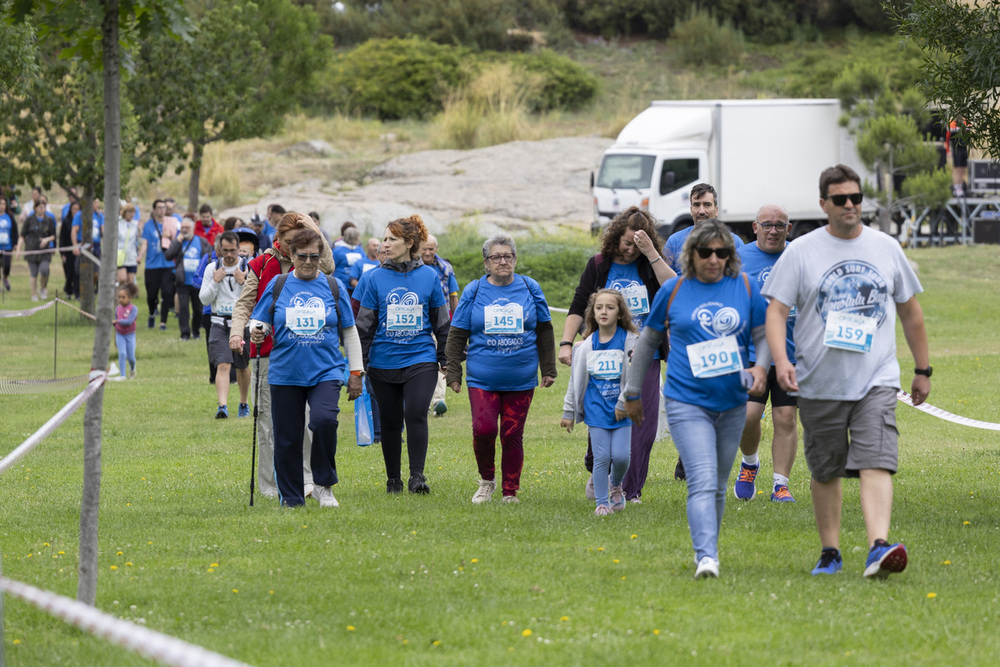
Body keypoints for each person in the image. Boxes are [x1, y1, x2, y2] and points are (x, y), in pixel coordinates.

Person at [763, 164, 930, 579]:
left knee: (877, 457)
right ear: (824, 204)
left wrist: (923, 368)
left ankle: (878, 546)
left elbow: (911, 311)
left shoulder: (885, 247)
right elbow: (776, 311)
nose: (851, 205)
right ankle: (830, 551)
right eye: (841, 199)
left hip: (877, 377)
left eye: (856, 198)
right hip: (819, 380)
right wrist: (782, 362)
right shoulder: (801, 251)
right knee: (826, 467)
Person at [625, 219, 770, 579]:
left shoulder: (746, 287)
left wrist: (761, 367)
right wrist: (630, 392)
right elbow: (646, 341)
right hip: (686, 399)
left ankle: (710, 548)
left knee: (718, 483)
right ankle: (706, 556)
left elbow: (763, 336)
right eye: (706, 252)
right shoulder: (673, 290)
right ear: (692, 255)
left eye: (722, 252)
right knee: (702, 478)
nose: (714, 259)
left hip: (732, 401)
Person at [560, 207, 675, 502]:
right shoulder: (599, 265)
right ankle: (599, 468)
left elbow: (676, 289)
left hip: (643, 354)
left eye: (638, 244)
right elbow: (578, 304)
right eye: (627, 242)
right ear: (615, 237)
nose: (630, 249)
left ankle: (629, 489)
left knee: (642, 423)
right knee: (603, 415)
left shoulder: (650, 265)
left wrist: (651, 253)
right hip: (603, 355)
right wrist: (566, 343)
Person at [249, 228, 364, 508]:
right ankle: (291, 497)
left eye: (315, 256)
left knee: (324, 421)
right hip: (285, 372)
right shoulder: (278, 284)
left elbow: (349, 332)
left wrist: (356, 372)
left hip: (326, 371)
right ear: (292, 255)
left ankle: (324, 485)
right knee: (287, 436)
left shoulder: (333, 286)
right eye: (303, 256)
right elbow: (257, 320)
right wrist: (256, 330)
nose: (309, 262)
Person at [445, 234, 556, 504]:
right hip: (482, 378)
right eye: (496, 257)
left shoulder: (530, 288)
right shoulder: (474, 290)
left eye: (508, 256)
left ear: (515, 259)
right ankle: (486, 481)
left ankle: (510, 491)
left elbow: (544, 330)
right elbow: (457, 334)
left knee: (512, 434)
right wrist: (453, 372)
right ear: (486, 262)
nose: (503, 261)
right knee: (483, 430)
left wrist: (548, 368)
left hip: (521, 378)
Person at [230, 212, 334, 498]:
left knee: (310, 421)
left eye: (298, 240)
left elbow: (330, 265)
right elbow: (244, 304)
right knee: (268, 423)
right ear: (278, 239)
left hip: (308, 353)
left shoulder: (311, 262)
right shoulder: (263, 264)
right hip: (267, 354)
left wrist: (314, 229)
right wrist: (237, 333)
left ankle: (308, 480)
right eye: (288, 242)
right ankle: (270, 485)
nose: (293, 247)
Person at [356, 214, 450, 495]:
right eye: (384, 239)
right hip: (383, 361)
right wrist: (358, 364)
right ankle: (393, 479)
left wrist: (446, 358)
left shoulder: (429, 276)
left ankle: (416, 477)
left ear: (410, 243)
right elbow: (364, 326)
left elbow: (441, 321)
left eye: (391, 239)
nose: (384, 245)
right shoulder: (373, 278)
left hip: (420, 357)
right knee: (391, 421)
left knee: (416, 413)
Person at [733, 204, 799, 503]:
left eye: (780, 225)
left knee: (786, 418)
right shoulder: (739, 258)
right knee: (748, 417)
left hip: (793, 354)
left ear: (789, 228)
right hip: (750, 352)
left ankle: (780, 484)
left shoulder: (799, 255)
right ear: (755, 227)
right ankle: (749, 464)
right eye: (767, 225)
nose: (774, 231)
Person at [561, 289, 636, 516]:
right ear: (592, 313)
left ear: (620, 313)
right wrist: (569, 410)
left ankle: (616, 485)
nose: (604, 312)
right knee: (602, 457)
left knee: (622, 457)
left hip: (623, 411)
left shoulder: (631, 341)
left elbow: (636, 378)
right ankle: (602, 503)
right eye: (599, 307)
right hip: (596, 410)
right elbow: (576, 381)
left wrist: (624, 402)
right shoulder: (585, 347)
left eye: (610, 307)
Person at [199, 231, 251, 419]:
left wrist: (243, 282)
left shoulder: (247, 267)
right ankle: (222, 406)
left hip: (241, 324)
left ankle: (243, 403)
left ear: (238, 249)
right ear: (219, 249)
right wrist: (215, 281)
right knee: (223, 364)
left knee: (243, 367)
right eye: (225, 250)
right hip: (219, 323)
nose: (229, 255)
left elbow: (255, 297)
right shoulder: (212, 269)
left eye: (232, 251)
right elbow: (204, 300)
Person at [663, 183, 745, 275]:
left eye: (707, 205)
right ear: (691, 210)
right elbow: (663, 279)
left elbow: (741, 277)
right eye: (697, 205)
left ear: (716, 210)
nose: (701, 211)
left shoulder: (734, 242)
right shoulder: (674, 242)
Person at [421, 233, 460, 417]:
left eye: (431, 249)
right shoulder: (411, 268)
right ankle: (424, 399)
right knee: (423, 361)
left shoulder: (446, 269)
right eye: (424, 249)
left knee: (441, 359)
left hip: (440, 322)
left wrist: (458, 322)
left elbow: (453, 297)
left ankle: (438, 401)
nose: (427, 252)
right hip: (419, 323)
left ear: (436, 249)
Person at [165, 217, 212, 340]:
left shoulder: (201, 241)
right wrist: (176, 241)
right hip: (183, 281)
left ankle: (195, 332)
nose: (184, 230)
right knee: (184, 308)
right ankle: (185, 334)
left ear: (193, 229)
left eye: (187, 228)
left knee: (198, 309)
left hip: (197, 281)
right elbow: (168, 255)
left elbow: (209, 257)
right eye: (182, 228)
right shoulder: (179, 242)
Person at [138, 199, 177, 331]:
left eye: (164, 207)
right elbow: (145, 243)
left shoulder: (171, 223)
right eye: (159, 207)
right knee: (151, 295)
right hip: (152, 265)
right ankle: (151, 313)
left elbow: (177, 242)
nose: (162, 210)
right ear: (154, 210)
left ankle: (163, 322)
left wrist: (171, 236)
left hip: (168, 263)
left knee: (167, 292)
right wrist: (140, 256)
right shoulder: (148, 225)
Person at [17, 197, 57, 301]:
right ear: (35, 208)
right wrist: (18, 250)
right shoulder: (29, 220)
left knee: (44, 270)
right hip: (31, 250)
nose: (42, 209)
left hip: (44, 252)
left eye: (44, 207)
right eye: (40, 207)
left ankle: (42, 289)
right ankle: (34, 295)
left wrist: (46, 240)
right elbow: (22, 235)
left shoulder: (49, 220)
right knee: (33, 273)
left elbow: (53, 235)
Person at [113, 282, 139, 379]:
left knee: (131, 358)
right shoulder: (117, 308)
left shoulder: (133, 309)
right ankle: (122, 375)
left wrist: (118, 321)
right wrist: (115, 323)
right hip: (120, 334)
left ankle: (132, 369)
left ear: (130, 298)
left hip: (130, 335)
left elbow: (129, 321)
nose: (120, 299)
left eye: (123, 297)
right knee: (122, 353)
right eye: (119, 297)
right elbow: (117, 320)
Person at [116, 203, 142, 286]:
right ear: (124, 212)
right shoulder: (119, 223)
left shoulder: (135, 224)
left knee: (131, 281)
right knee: (123, 278)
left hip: (131, 255)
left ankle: (127, 298)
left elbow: (140, 241)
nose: (132, 214)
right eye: (129, 212)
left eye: (133, 212)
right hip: (120, 255)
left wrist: (140, 230)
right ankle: (117, 293)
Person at [59, 200, 80, 298]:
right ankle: (68, 290)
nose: (75, 211)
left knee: (77, 272)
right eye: (73, 209)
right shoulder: (66, 221)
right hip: (67, 251)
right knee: (69, 272)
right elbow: (62, 238)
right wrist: (62, 253)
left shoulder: (80, 221)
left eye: (77, 209)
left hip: (77, 250)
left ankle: (76, 292)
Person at [0, 194, 18, 292]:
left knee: (6, 266)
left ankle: (5, 278)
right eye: (0, 204)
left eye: (3, 204)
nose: (1, 206)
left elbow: (15, 231)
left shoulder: (10, 217)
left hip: (7, 246)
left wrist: (15, 243)